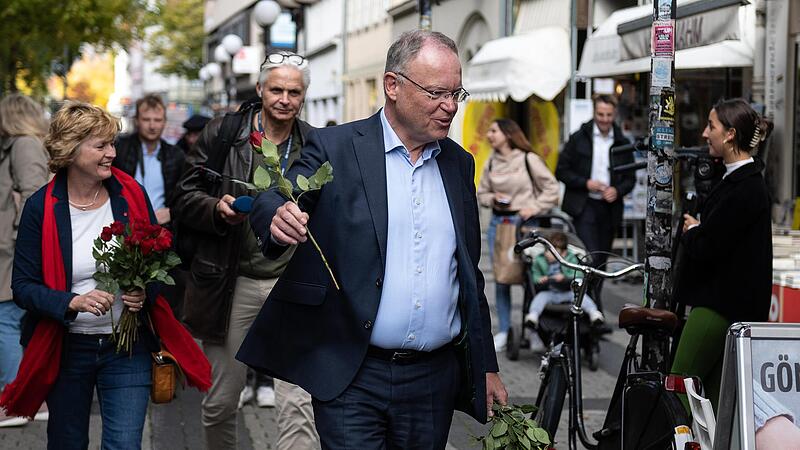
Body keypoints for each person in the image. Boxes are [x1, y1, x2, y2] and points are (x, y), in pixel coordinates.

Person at [237, 30, 508, 449]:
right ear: (392, 86)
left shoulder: (458, 164)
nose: (450, 106)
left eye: (457, 93)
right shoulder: (335, 148)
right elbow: (277, 194)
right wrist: (277, 216)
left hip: (433, 380)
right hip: (353, 373)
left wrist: (486, 365)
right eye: (437, 92)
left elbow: (468, 274)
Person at [0, 102, 210, 448]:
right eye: (101, 145)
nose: (112, 153)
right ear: (71, 149)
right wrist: (72, 302)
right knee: (68, 443)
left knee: (125, 444)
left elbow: (159, 261)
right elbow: (22, 287)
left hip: (126, 349)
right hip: (67, 349)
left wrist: (146, 291)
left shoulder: (129, 195)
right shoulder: (42, 206)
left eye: (112, 143)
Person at [174, 51, 318, 450]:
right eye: (276, 89)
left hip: (291, 284)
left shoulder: (314, 143)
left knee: (298, 402)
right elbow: (185, 194)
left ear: (303, 96)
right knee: (222, 400)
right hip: (229, 282)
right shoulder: (224, 133)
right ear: (259, 89)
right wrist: (216, 210)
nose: (284, 99)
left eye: (294, 91)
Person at [671, 98, 773, 412]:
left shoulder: (745, 186)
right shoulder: (739, 181)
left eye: (711, 125)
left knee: (679, 388)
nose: (704, 133)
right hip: (728, 307)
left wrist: (692, 231)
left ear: (729, 135)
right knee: (714, 403)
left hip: (719, 307)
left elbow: (709, 247)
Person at [476, 118, 559, 351]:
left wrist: (533, 207)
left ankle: (533, 330)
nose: (489, 135)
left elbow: (552, 189)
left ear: (508, 134)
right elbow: (482, 193)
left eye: (494, 131)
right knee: (502, 279)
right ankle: (503, 331)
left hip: (524, 225)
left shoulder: (527, 159)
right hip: (498, 224)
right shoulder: (491, 161)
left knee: (530, 278)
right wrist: (493, 199)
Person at [556, 94, 635, 304]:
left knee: (602, 261)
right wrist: (585, 183)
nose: (604, 119)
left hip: (609, 208)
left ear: (615, 114)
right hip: (584, 205)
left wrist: (617, 190)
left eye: (609, 115)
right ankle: (589, 307)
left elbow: (630, 179)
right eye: (600, 114)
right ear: (594, 112)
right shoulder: (578, 137)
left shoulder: (622, 141)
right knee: (590, 256)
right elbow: (561, 170)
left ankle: (592, 305)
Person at [0, 94, 50, 427]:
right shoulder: (18, 145)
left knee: (5, 318)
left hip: (13, 251)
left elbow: (35, 196)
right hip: (9, 248)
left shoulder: (23, 145)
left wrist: (21, 241)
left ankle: (19, 401)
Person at [113, 94, 185, 227]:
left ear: (164, 122)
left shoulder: (176, 155)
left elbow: (184, 195)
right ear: (137, 121)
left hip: (161, 229)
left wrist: (172, 211)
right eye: (146, 119)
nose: (152, 126)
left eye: (157, 120)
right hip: (125, 226)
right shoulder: (119, 149)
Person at [523, 231, 604, 328]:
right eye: (547, 251)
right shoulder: (540, 260)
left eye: (553, 252)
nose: (548, 254)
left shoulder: (571, 259)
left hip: (568, 292)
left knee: (583, 298)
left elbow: (578, 274)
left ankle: (594, 313)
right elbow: (535, 275)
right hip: (550, 292)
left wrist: (565, 277)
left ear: (564, 253)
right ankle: (533, 315)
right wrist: (540, 279)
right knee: (539, 298)